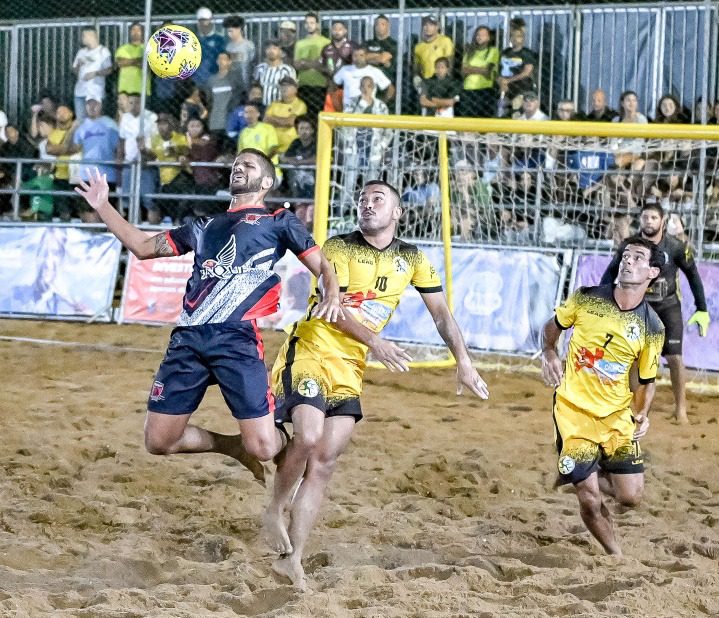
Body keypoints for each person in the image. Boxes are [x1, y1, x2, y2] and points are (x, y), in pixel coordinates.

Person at [264, 179, 489, 589]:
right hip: (313, 348)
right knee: (309, 435)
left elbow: (441, 314)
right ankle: (274, 508)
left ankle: (291, 558)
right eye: (362, 199)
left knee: (325, 462)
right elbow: (334, 311)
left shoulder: (413, 258)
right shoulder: (338, 247)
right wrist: (376, 342)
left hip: (350, 365)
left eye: (377, 199)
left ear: (397, 213)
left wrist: (464, 361)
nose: (367, 205)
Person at [73, 150, 343, 482]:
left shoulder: (278, 221)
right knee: (159, 441)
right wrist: (103, 205)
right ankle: (231, 446)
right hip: (188, 338)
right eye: (235, 164)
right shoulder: (204, 225)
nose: (239, 168)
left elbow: (323, 266)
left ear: (267, 181)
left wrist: (331, 293)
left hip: (236, 338)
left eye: (248, 165)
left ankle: (289, 443)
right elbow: (142, 247)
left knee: (263, 447)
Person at [541, 237, 665, 556]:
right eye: (626, 255)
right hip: (573, 412)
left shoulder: (652, 325)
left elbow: (647, 380)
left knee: (631, 498)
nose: (628, 261)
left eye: (638, 258)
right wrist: (549, 352)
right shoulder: (586, 299)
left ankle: (583, 471)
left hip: (616, 417)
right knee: (589, 498)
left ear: (652, 273)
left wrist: (642, 413)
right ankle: (616, 555)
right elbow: (552, 327)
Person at [600, 203, 709, 423]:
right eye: (645, 217)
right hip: (638, 307)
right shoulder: (628, 246)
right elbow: (610, 272)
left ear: (663, 221)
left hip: (668, 307)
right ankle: (635, 407)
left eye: (653, 218)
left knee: (674, 358)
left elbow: (693, 275)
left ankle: (681, 410)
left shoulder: (677, 247)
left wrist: (702, 308)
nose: (649, 221)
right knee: (634, 358)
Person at [293, 13, 330, 118]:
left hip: (321, 85)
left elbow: (328, 65)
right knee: (304, 116)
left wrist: (305, 62)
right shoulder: (300, 43)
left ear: (317, 24)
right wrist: (316, 63)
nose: (309, 25)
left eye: (312, 22)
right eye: (307, 23)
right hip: (303, 85)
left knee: (319, 116)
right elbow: (296, 65)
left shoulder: (326, 42)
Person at [72, 27, 113, 122]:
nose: (82, 38)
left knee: (96, 120)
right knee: (81, 121)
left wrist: (96, 73)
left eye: (84, 36)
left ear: (91, 36)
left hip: (95, 93)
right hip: (80, 92)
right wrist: (78, 65)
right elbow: (74, 70)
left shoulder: (103, 51)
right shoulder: (81, 52)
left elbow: (109, 70)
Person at [497, 19, 535, 117]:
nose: (515, 39)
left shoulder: (527, 53)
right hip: (506, 90)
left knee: (517, 111)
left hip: (521, 89)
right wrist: (501, 81)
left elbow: (527, 72)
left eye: (518, 36)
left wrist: (508, 81)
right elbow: (498, 71)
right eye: (512, 36)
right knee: (502, 112)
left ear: (523, 38)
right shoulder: (505, 52)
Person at [460, 26, 499, 118]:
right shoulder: (469, 52)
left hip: (484, 90)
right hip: (468, 90)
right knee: (468, 120)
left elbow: (487, 71)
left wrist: (470, 69)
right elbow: (463, 71)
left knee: (483, 120)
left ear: (489, 38)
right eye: (477, 34)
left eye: (483, 35)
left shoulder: (492, 51)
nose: (479, 37)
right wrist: (480, 69)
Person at [205, 52, 246, 134]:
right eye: (219, 59)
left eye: (224, 59)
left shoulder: (236, 79)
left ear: (229, 62)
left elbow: (241, 96)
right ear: (216, 61)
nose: (221, 61)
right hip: (215, 122)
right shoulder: (211, 80)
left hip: (231, 121)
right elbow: (209, 100)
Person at [265, 76, 308, 155]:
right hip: (272, 148)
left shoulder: (300, 105)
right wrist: (283, 121)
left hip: (291, 148)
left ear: (295, 89)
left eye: (288, 85)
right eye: (282, 85)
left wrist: (273, 119)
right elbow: (265, 120)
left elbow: (290, 122)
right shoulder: (274, 104)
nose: (284, 88)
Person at [254, 41, 297, 109]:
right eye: (268, 48)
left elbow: (292, 91)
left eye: (274, 48)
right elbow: (255, 87)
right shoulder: (260, 68)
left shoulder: (287, 70)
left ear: (281, 52)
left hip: (280, 107)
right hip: (261, 107)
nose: (271, 51)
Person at [413, 15, 454, 84]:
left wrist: (446, 82)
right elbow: (417, 67)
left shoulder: (445, 41)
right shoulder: (418, 47)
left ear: (437, 27)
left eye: (431, 25)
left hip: (441, 81)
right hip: (426, 82)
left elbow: (450, 62)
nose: (427, 27)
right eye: (425, 25)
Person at [193, 7, 227, 86]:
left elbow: (224, 59)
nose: (204, 24)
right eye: (201, 21)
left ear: (211, 21)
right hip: (197, 80)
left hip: (215, 79)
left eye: (206, 20)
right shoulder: (193, 39)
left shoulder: (219, 39)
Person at [115, 23, 149, 98]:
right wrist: (138, 60)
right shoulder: (122, 48)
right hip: (124, 90)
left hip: (142, 89)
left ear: (143, 32)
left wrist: (128, 61)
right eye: (133, 30)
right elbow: (120, 63)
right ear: (129, 32)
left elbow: (145, 64)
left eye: (138, 30)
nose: (135, 32)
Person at [364, 14, 397, 83]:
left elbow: (383, 59)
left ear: (388, 26)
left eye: (382, 24)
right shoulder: (367, 43)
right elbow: (362, 58)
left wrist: (369, 57)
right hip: (368, 81)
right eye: (377, 24)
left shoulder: (393, 43)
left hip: (385, 80)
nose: (379, 27)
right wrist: (379, 56)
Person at [224, 15, 256, 85]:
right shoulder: (228, 47)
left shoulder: (249, 45)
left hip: (246, 80)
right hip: (232, 82)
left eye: (231, 31)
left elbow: (253, 63)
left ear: (239, 29)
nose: (229, 34)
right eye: (228, 31)